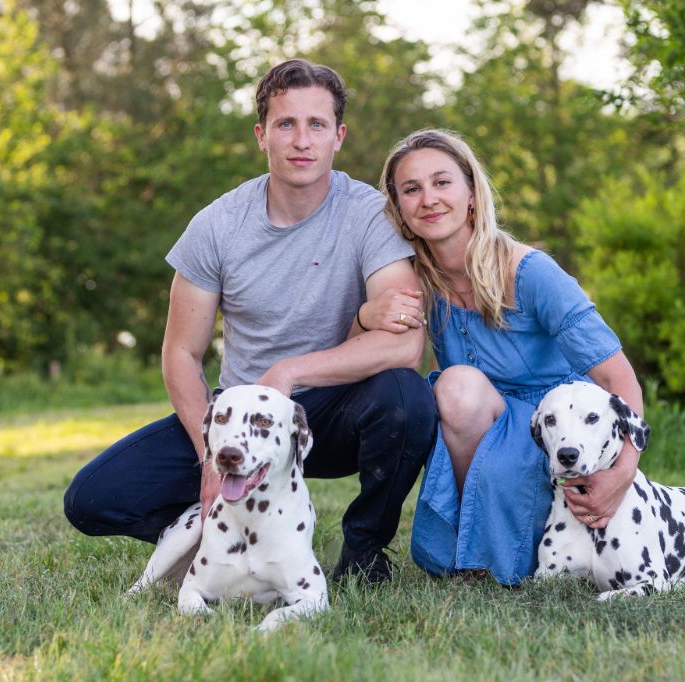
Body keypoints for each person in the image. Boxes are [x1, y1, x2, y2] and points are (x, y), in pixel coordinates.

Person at [63, 60, 438, 584]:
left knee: (407, 399)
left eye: (317, 125)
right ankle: (220, 533)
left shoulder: (370, 215)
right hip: (240, 419)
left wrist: (288, 373)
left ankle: (365, 552)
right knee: (91, 499)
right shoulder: (217, 225)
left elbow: (404, 348)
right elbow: (181, 354)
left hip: (336, 411)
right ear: (262, 135)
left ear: (339, 136)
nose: (301, 140)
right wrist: (210, 456)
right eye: (286, 124)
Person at [357, 129, 644, 585]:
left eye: (442, 182)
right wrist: (366, 312)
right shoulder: (416, 280)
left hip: (557, 429)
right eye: (412, 189)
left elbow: (619, 381)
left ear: (472, 193)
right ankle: (482, 556)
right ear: (400, 211)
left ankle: (528, 540)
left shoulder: (530, 272)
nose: (429, 198)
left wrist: (623, 472)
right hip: (484, 419)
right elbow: (370, 350)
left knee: (459, 388)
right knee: (455, 386)